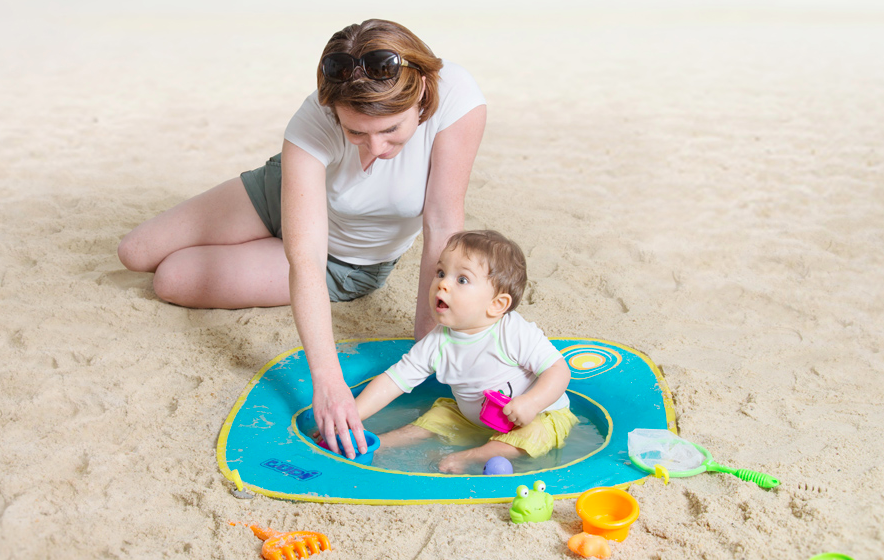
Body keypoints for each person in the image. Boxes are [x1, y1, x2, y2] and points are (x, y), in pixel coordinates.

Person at [116, 19, 487, 460]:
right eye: (356, 133)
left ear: (422, 92)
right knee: (135, 252)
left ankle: (257, 251)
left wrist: (427, 349)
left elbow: (442, 228)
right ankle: (258, 241)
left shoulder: (457, 97)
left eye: (391, 131)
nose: (375, 148)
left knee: (172, 278)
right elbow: (302, 256)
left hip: (344, 259)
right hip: (284, 195)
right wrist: (326, 380)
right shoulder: (313, 118)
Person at [352, 230, 577, 474]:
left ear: (496, 305)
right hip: (470, 417)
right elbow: (392, 382)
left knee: (535, 436)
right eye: (441, 273)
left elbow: (558, 370)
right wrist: (350, 417)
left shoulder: (511, 332)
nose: (443, 283)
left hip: (537, 416)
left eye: (462, 280)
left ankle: (474, 455)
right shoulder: (436, 342)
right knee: (436, 418)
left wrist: (532, 403)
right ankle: (379, 442)